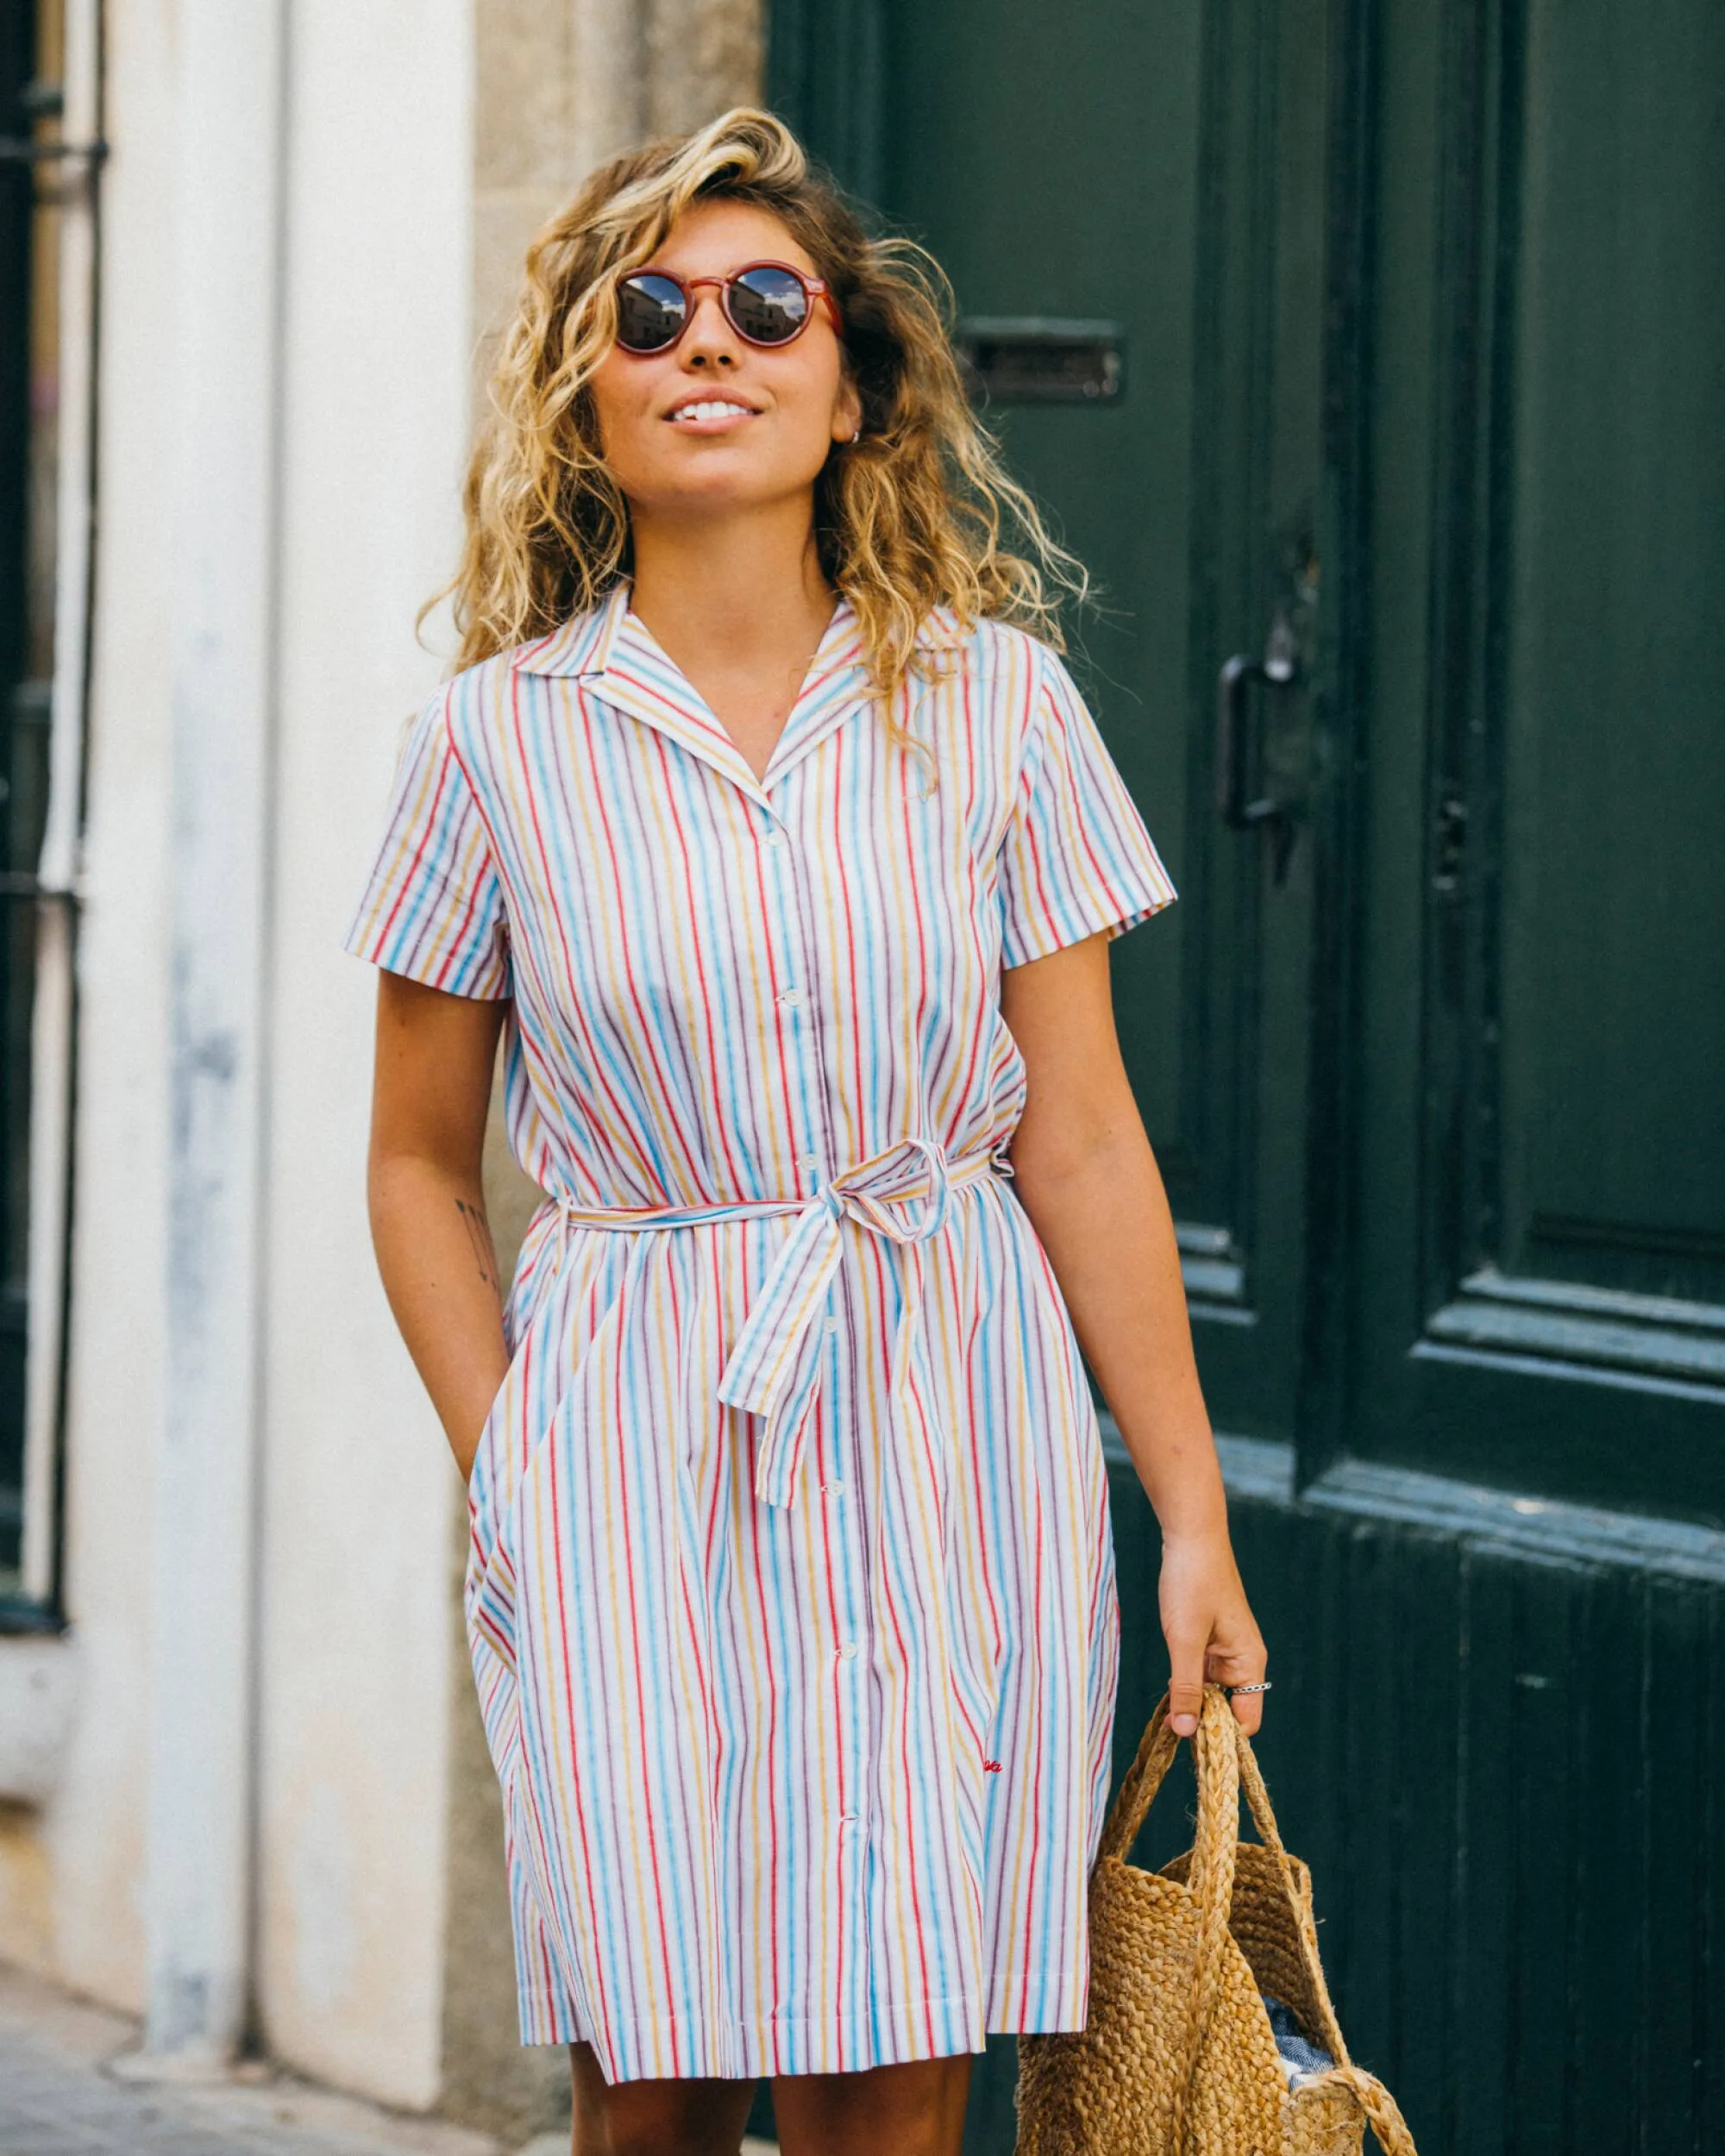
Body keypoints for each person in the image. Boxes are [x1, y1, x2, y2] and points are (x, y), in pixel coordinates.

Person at [344, 105, 1268, 2156]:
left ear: (853, 387)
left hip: (954, 1422)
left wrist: (1189, 1511)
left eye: (770, 306)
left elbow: (1084, 1137)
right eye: (647, 311)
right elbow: (416, 1159)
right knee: (647, 2076)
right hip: (627, 1443)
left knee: (903, 2070)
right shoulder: (493, 743)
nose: (709, 345)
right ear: (586, 393)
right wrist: (522, 1463)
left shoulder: (1000, 705)